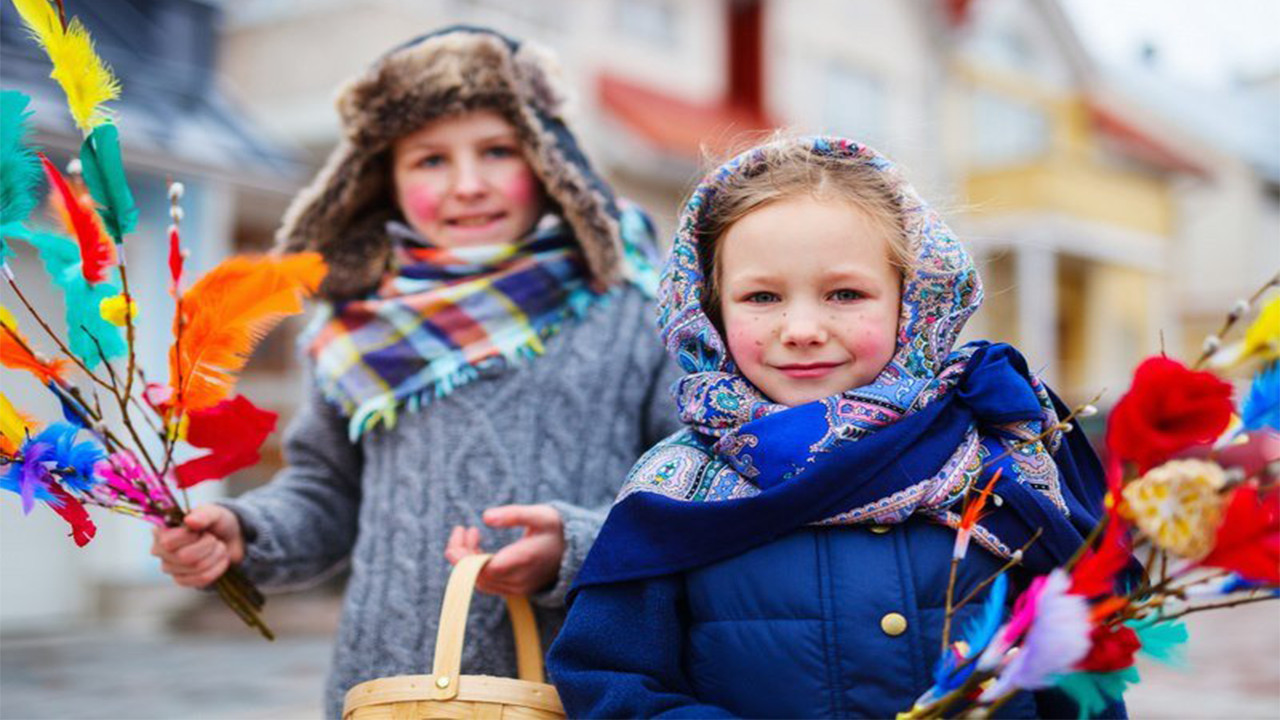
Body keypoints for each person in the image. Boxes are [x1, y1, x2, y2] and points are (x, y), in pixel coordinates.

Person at [150, 26, 681, 718]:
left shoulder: (633, 308)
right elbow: (326, 493)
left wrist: (574, 544)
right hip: (389, 685)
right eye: (430, 159)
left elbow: (686, 491)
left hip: (581, 681)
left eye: (498, 150)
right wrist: (247, 532)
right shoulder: (356, 329)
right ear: (384, 183)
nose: (467, 184)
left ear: (552, 162)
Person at [547, 136, 1118, 718]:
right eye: (762, 296)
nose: (801, 328)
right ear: (711, 311)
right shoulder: (674, 490)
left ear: (913, 300)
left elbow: (1079, 676)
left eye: (845, 294)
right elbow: (608, 682)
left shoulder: (998, 462)